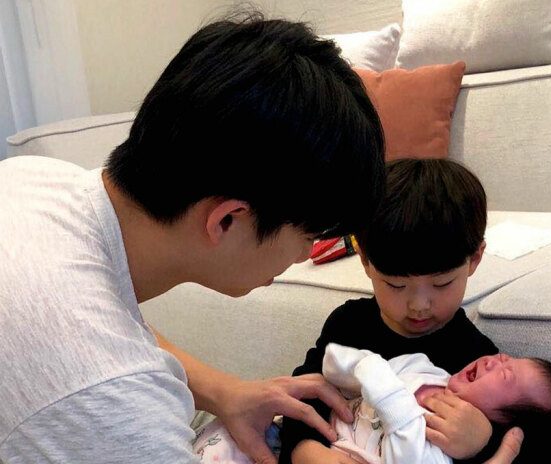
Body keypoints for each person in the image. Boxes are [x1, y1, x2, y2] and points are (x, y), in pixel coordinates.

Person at [0, 13, 384, 464]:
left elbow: (100, 331)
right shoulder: (118, 410)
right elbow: (98, 375)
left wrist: (224, 391)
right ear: (227, 220)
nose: (307, 254)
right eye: (310, 234)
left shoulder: (33, 179)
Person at [280, 158, 521, 464]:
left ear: (474, 259)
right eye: (396, 285)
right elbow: (304, 393)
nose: (419, 305)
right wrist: (305, 451)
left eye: (442, 283)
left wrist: (483, 442)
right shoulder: (349, 324)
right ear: (365, 261)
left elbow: (534, 433)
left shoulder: (474, 357)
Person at [192, 344, 551, 464]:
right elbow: (350, 370)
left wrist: (373, 374)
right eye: (505, 358)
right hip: (287, 435)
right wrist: (346, 366)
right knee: (218, 433)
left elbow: (405, 450)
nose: (494, 360)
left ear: (503, 423)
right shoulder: (428, 369)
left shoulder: (441, 450)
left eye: (505, 375)